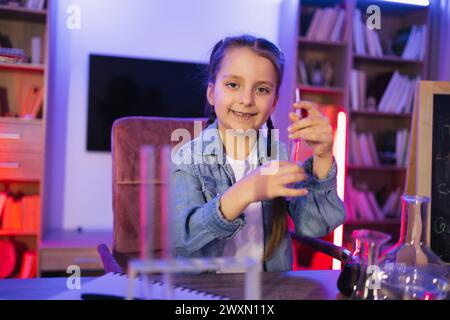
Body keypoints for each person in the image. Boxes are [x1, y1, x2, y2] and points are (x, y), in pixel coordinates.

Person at [172, 34, 345, 272]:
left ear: (274, 102)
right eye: (233, 85)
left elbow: (314, 226)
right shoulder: (188, 159)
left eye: (261, 89)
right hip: (207, 293)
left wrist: (323, 156)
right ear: (211, 93)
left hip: (269, 289)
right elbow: (185, 243)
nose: (246, 99)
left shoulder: (278, 154)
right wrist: (246, 191)